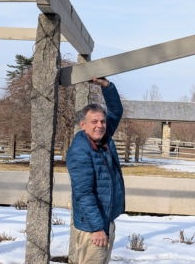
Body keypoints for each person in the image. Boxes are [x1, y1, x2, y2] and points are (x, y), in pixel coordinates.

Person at [66, 77, 125, 264]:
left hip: (105, 221)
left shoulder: (103, 139)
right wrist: (98, 228)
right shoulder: (80, 151)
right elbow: (83, 194)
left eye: (102, 121)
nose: (100, 125)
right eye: (94, 122)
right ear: (83, 125)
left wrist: (107, 86)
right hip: (94, 228)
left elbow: (116, 110)